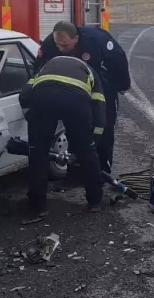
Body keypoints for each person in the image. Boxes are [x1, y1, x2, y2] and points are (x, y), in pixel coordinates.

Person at [32, 20, 130, 176]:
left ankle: (102, 171)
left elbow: (118, 60)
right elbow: (39, 67)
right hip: (72, 93)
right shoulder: (51, 43)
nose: (60, 49)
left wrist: (122, 85)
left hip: (102, 89)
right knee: (76, 131)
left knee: (103, 128)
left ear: (76, 39)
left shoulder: (97, 40)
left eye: (65, 46)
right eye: (58, 45)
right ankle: (76, 170)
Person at [19, 53, 106, 217]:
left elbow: (24, 95)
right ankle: (94, 202)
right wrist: (93, 140)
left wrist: (31, 116)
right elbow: (99, 106)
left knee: (38, 155)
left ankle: (37, 207)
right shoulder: (91, 72)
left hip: (44, 98)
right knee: (87, 154)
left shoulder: (44, 68)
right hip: (76, 101)